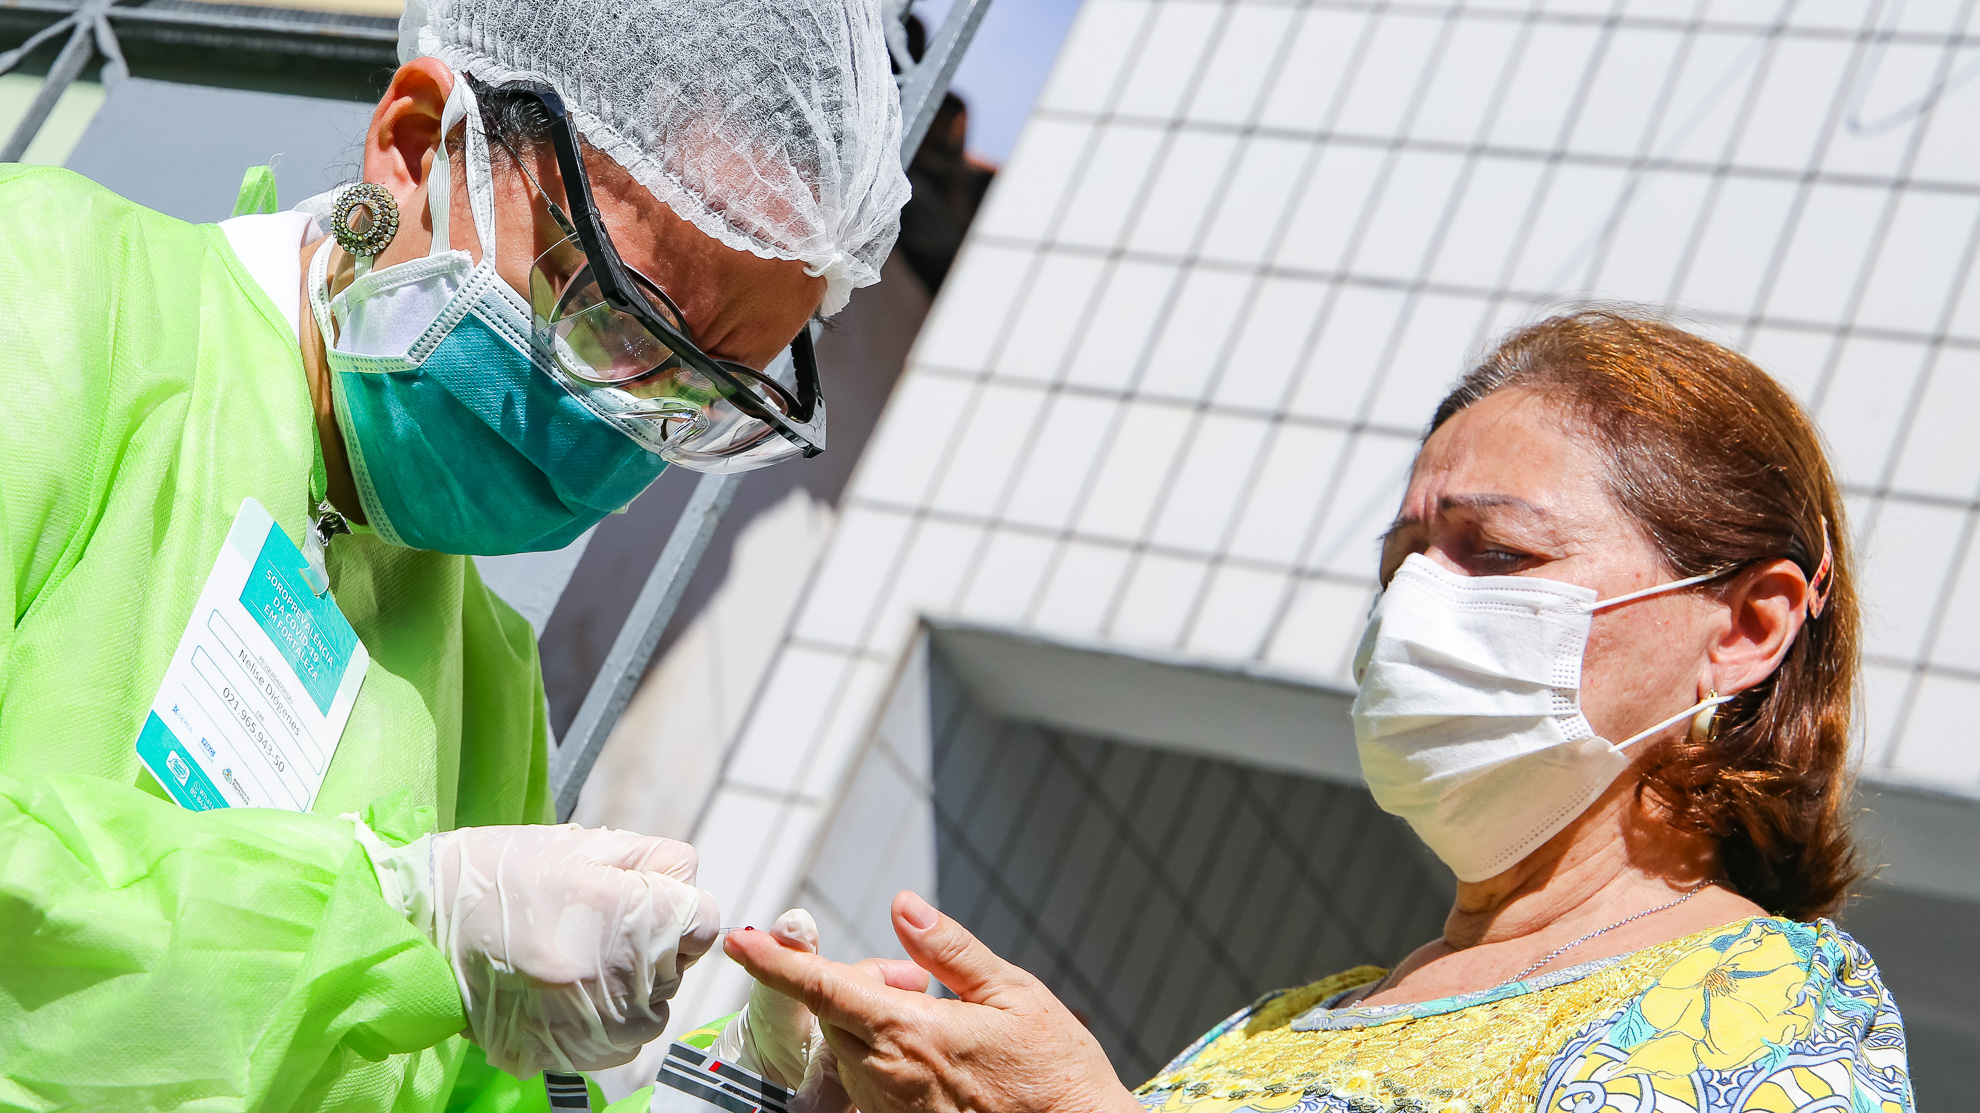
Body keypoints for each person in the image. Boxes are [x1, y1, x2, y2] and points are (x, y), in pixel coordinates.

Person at [0, 0, 907, 1106]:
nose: (628, 425)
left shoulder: (490, 688)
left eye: (698, 395)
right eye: (615, 318)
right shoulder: (43, 297)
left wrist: (700, 1096)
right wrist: (392, 922)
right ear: (420, 143)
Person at [723, 311, 1917, 1113]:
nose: (1414, 614)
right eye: (1401, 565)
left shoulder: (1768, 1006)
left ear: (1748, 629)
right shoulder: (1290, 1021)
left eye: (1496, 554)